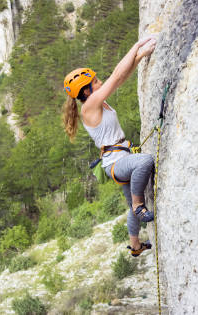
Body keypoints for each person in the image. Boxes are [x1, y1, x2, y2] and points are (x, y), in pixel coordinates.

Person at [61, 37, 157, 257]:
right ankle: (139, 204)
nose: (100, 82)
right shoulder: (90, 107)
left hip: (119, 158)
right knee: (145, 161)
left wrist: (140, 56)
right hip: (116, 163)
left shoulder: (99, 102)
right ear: (86, 92)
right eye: (95, 81)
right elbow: (116, 75)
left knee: (130, 200)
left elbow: (120, 78)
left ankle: (135, 246)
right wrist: (136, 46)